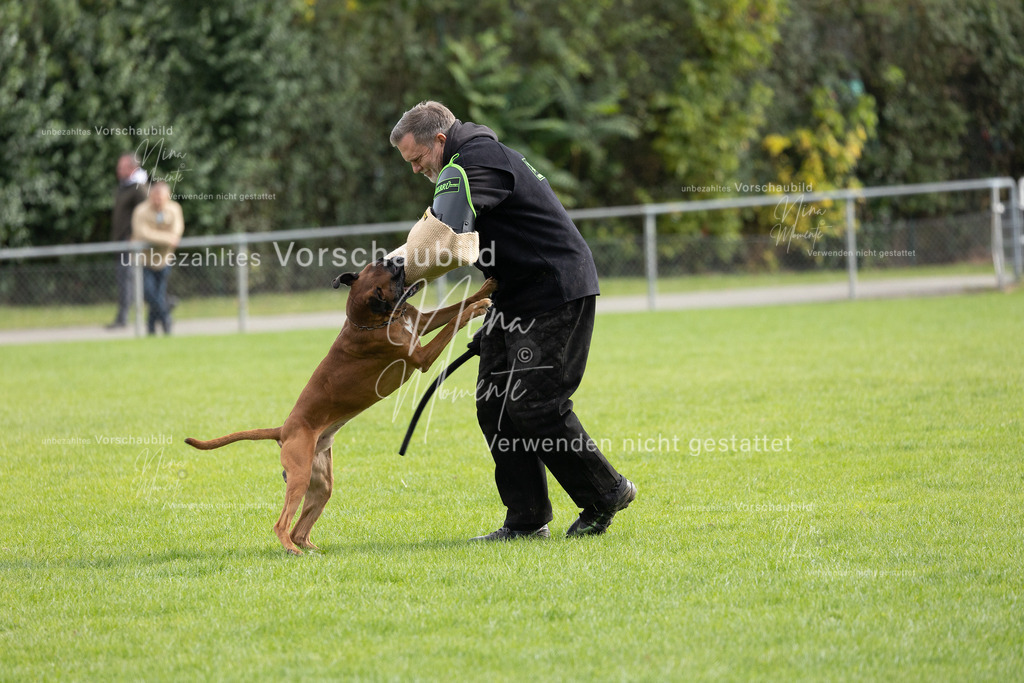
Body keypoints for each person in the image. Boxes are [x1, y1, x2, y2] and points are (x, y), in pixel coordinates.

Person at [390, 101, 636, 540]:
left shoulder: (478, 159)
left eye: (418, 159)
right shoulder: (467, 162)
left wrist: (389, 277)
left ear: (440, 141)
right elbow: (449, 230)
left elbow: (444, 236)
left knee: (536, 405)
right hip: (515, 294)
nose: (415, 170)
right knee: (495, 405)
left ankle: (606, 493)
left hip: (555, 289)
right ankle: (526, 520)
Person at [130, 181, 184, 335]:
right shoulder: (141, 211)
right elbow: (142, 233)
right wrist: (167, 239)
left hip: (164, 259)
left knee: (158, 295)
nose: (157, 201)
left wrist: (161, 237)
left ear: (168, 196)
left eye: (161, 198)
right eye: (155, 197)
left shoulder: (174, 209)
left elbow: (177, 231)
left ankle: (151, 329)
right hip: (144, 260)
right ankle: (166, 316)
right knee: (150, 293)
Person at [107, 153, 149, 329]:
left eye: (122, 166)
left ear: (132, 168)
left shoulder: (139, 188)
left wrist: (134, 236)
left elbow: (145, 215)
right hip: (121, 242)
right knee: (127, 280)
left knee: (128, 280)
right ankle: (164, 302)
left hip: (130, 243)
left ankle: (123, 317)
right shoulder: (124, 187)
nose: (118, 170)